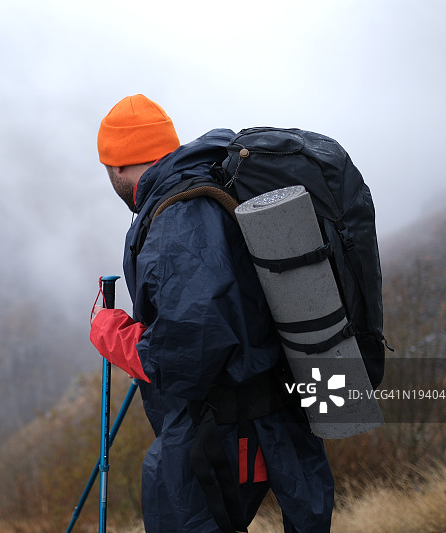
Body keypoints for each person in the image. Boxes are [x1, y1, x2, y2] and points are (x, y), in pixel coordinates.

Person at [89, 94, 334, 533]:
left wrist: (111, 334)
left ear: (120, 165)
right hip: (284, 416)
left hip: (221, 431)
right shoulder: (221, 180)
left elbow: (184, 356)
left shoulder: (178, 221)